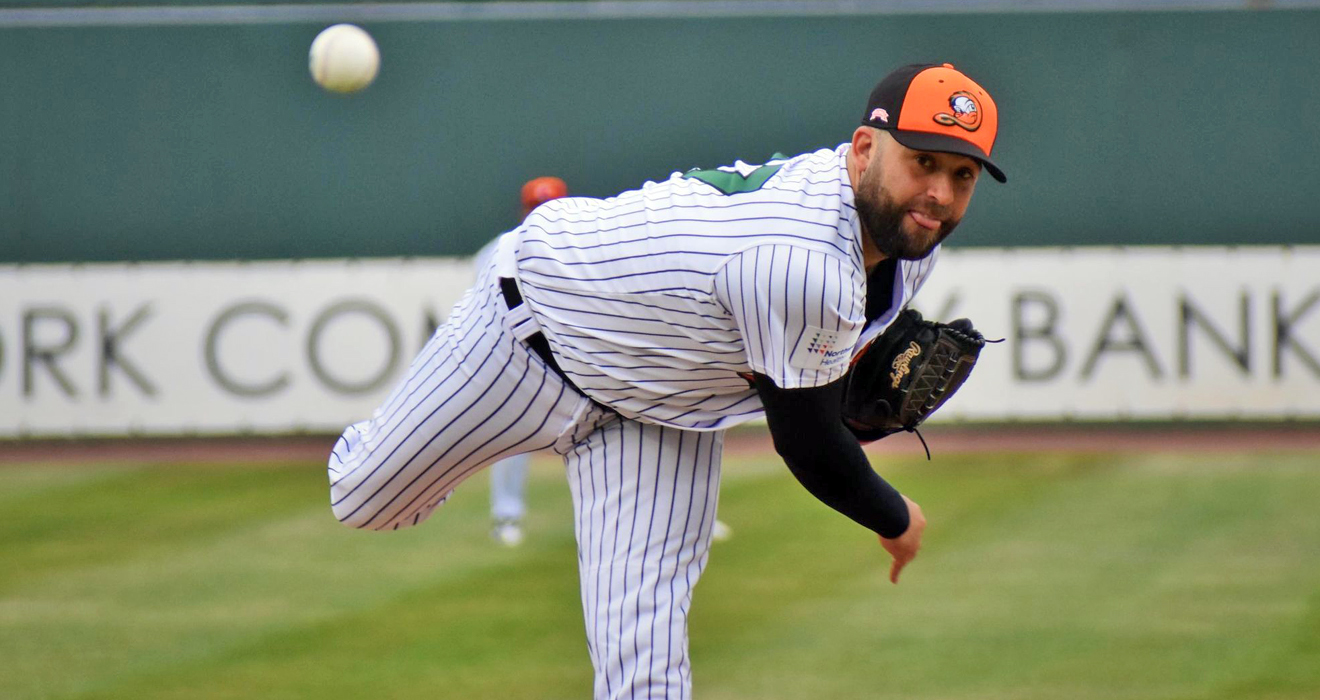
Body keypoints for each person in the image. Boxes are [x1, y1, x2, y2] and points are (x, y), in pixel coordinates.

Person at [328, 62, 1004, 698]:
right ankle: (410, 442)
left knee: (645, 669)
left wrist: (848, 395)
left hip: (665, 413)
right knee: (364, 500)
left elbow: (818, 391)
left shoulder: (910, 245)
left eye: (962, 175)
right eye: (922, 162)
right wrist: (893, 516)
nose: (939, 194)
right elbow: (809, 445)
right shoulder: (804, 258)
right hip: (531, 332)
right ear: (863, 149)